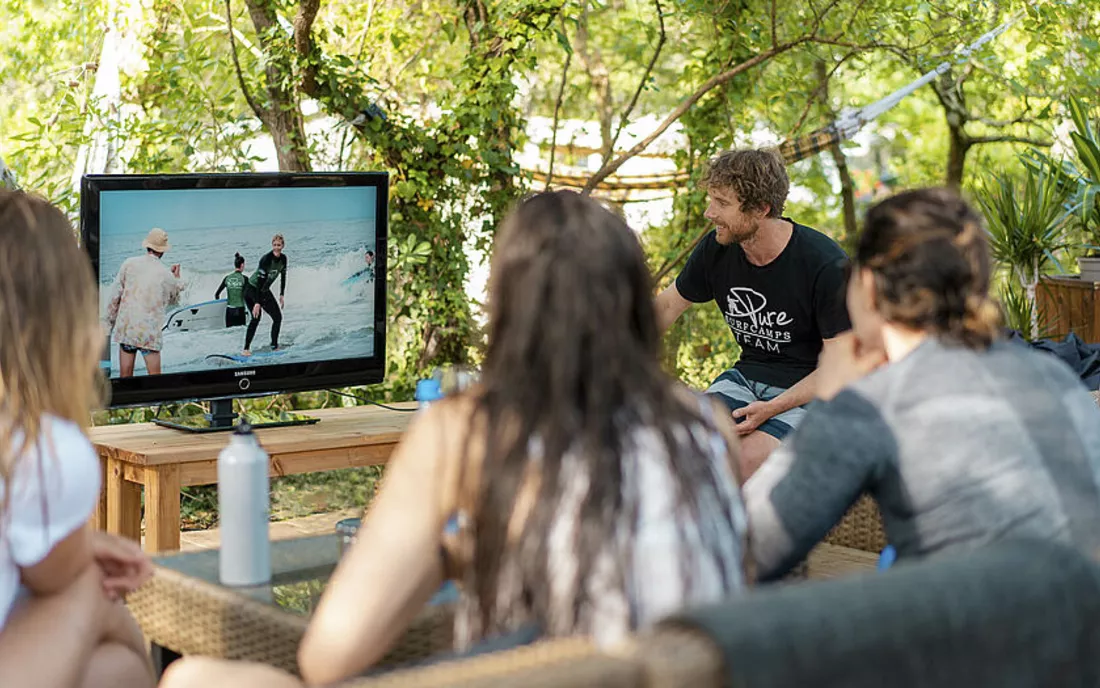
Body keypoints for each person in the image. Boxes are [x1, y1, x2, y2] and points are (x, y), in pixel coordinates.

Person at [159, 191, 751, 688]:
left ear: (509, 307)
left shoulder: (468, 430)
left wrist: (448, 555)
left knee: (194, 678)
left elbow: (328, 657)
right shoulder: (706, 424)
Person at [744, 188, 1100, 582]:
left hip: (962, 624)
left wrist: (830, 400)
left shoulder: (872, 404)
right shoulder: (1053, 376)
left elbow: (749, 549)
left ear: (869, 287)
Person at [0, 190, 155, 687]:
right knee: (97, 601)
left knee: (109, 670)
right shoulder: (35, 449)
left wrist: (84, 543)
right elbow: (56, 578)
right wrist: (87, 556)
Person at [655, 149, 851, 479]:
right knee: (684, 445)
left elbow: (841, 365)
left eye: (721, 203)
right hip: (746, 379)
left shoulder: (825, 265)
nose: (709, 212)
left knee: (743, 460)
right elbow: (667, 306)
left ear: (761, 209)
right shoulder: (716, 250)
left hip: (814, 390)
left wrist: (774, 409)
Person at [104, 227, 183, 377]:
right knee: (155, 383)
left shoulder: (129, 263)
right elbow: (173, 301)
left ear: (147, 246)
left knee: (125, 380)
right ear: (163, 250)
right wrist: (176, 278)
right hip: (149, 334)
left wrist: (109, 325)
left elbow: (115, 297)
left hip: (128, 330)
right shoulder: (166, 274)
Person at [243, 233, 287, 356]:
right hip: (252, 289)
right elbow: (260, 281)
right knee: (256, 318)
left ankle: (274, 346)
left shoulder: (283, 259)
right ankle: (246, 349)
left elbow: (283, 276)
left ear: (283, 246)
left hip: (264, 289)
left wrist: (282, 294)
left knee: (277, 317)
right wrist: (257, 302)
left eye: (279, 245)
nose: (277, 248)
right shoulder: (266, 260)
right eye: (274, 245)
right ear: (272, 245)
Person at [214, 253, 248, 328]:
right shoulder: (244, 279)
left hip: (229, 312)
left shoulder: (227, 278)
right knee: (240, 334)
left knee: (230, 335)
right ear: (242, 265)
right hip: (240, 311)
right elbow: (247, 295)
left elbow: (217, 294)